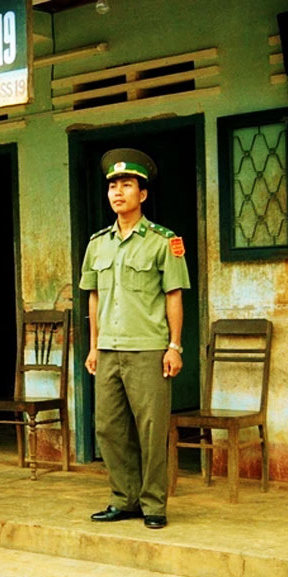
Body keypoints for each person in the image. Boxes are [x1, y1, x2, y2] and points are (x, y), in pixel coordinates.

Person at [79, 148, 190, 530]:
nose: (118, 192)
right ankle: (123, 499)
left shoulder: (163, 241)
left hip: (148, 350)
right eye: (113, 186)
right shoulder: (98, 244)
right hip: (109, 350)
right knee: (108, 428)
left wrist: (174, 346)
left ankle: (154, 504)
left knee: (151, 430)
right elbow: (93, 297)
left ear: (142, 194)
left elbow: (174, 295)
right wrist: (93, 346)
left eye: (126, 185)